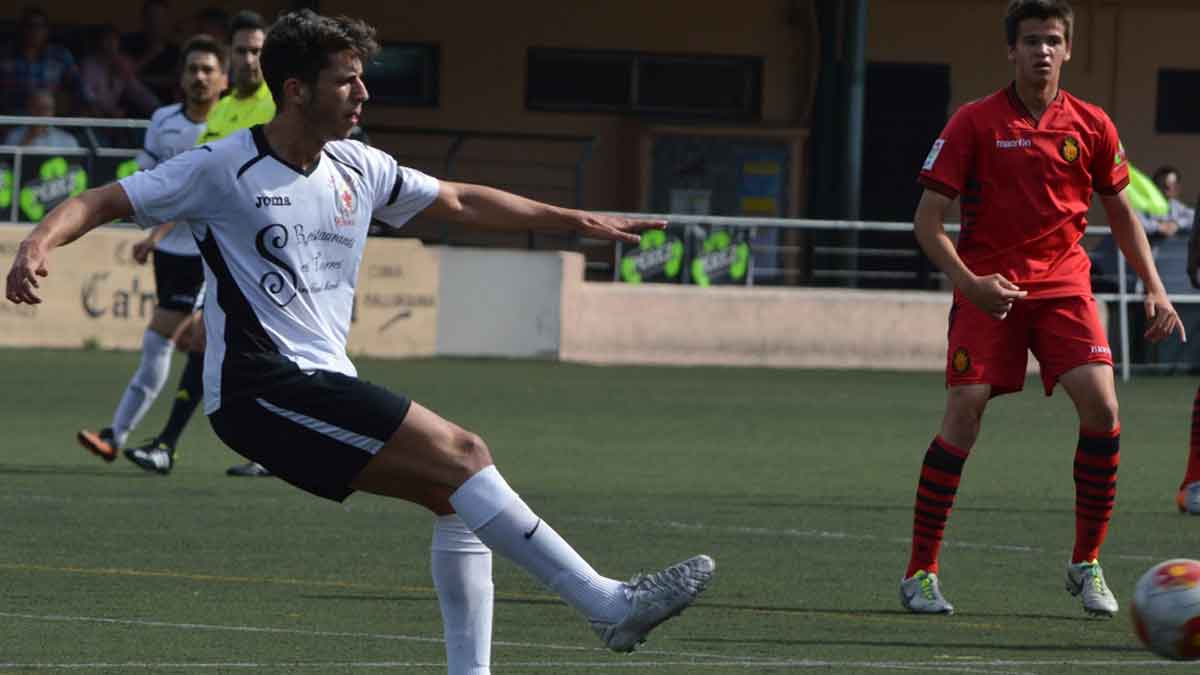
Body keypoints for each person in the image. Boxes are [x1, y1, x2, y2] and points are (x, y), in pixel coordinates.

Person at [5, 11, 715, 672]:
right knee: (466, 453)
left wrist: (575, 221)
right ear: (296, 90)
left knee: (455, 493)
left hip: (317, 380)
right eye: (346, 79)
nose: (362, 93)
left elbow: (462, 200)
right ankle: (608, 605)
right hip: (260, 390)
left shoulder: (357, 166)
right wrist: (38, 241)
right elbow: (104, 199)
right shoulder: (223, 166)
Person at [900, 0, 1184, 619]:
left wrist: (1155, 288)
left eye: (1053, 40)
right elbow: (927, 222)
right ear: (1011, 50)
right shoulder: (973, 122)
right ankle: (920, 571)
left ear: (1068, 49)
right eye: (1031, 41)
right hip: (989, 288)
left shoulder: (1092, 124)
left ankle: (1087, 563)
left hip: (1064, 287)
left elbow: (1122, 214)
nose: (1043, 51)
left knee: (1104, 404)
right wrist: (970, 283)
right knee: (965, 410)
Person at [76, 36, 227, 470]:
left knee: (170, 338)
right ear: (181, 77)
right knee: (182, 344)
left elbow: (200, 196)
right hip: (171, 254)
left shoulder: (233, 125)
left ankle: (135, 437)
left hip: (208, 252)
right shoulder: (163, 120)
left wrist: (155, 235)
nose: (199, 77)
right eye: (192, 69)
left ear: (223, 79)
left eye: (207, 69)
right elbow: (151, 179)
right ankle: (129, 438)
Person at [186, 10, 279, 477]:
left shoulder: (278, 103)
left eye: (256, 51)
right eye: (241, 51)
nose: (248, 60)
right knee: (226, 344)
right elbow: (204, 172)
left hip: (268, 247)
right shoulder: (222, 109)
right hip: (225, 248)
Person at [0, 6, 91, 115]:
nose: (35, 31)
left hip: (49, 118)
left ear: (47, 30)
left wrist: (77, 111)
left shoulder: (60, 56)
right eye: (30, 26)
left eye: (40, 26)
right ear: (21, 29)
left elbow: (80, 89)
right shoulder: (5, 55)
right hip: (12, 118)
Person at [80, 24, 160, 119]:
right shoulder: (88, 66)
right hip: (89, 120)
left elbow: (139, 93)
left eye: (115, 40)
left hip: (112, 121)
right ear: (98, 43)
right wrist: (107, 114)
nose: (111, 44)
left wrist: (159, 110)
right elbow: (88, 99)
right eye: (107, 40)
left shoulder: (121, 64)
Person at [123, 0, 181, 104]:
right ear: (143, 20)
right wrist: (150, 54)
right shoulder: (129, 43)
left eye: (160, 18)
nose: (155, 23)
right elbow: (125, 77)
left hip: (165, 103)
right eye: (151, 17)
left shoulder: (175, 50)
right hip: (131, 107)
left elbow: (175, 80)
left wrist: (144, 80)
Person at [3, 89, 80, 148]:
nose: (42, 112)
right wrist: (31, 136)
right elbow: (9, 163)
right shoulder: (14, 136)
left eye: (47, 108)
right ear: (29, 109)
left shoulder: (67, 140)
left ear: (53, 111)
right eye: (38, 108)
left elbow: (74, 166)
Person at [1143, 166, 1194, 242]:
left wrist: (1176, 224)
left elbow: (1193, 217)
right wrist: (1159, 227)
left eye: (1168, 186)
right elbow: (1135, 223)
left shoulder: (1175, 205)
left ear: (1177, 188)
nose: (1162, 190)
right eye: (1159, 185)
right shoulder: (1143, 204)